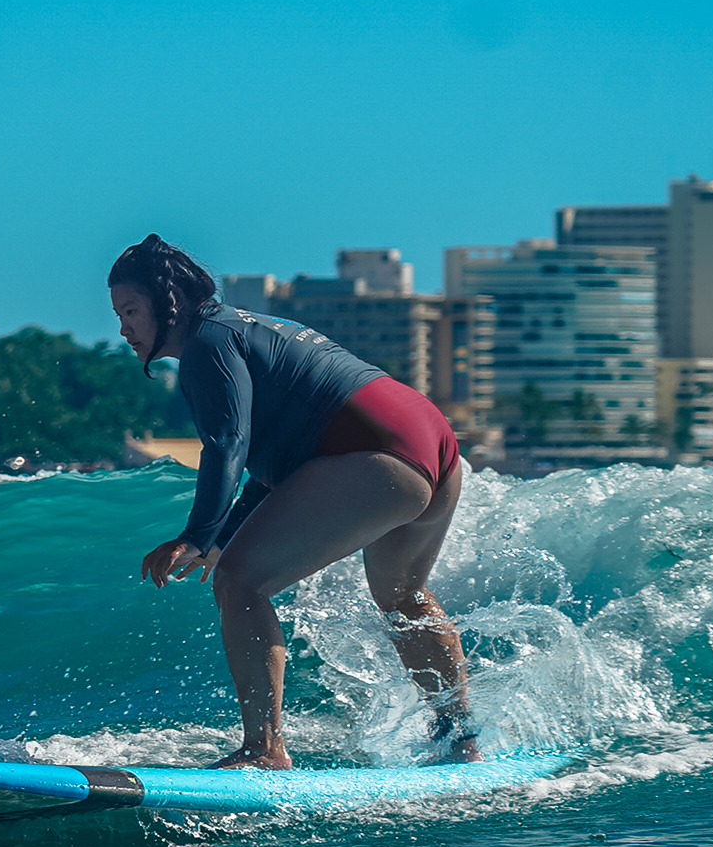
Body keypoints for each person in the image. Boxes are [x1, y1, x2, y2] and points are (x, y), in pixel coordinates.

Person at [109, 234, 475, 769]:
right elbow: (275, 466)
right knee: (402, 592)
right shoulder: (244, 327)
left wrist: (197, 536)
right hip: (430, 439)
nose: (123, 329)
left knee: (241, 582)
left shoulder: (208, 344)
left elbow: (227, 443)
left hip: (378, 447)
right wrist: (227, 534)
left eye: (131, 311)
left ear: (170, 304)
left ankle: (264, 748)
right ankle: (460, 738)